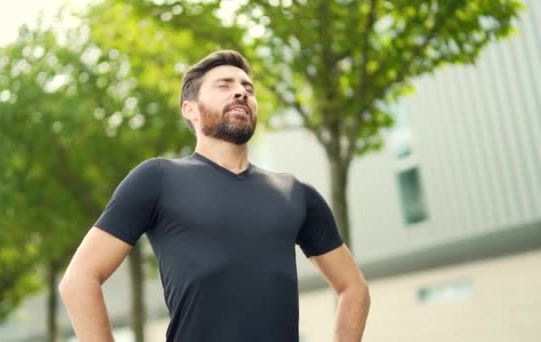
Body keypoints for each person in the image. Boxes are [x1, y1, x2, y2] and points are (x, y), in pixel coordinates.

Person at [59, 50, 370, 342]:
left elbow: (353, 288)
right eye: (224, 85)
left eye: (248, 87)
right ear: (189, 109)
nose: (241, 92)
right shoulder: (157, 178)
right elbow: (79, 280)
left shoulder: (296, 194)